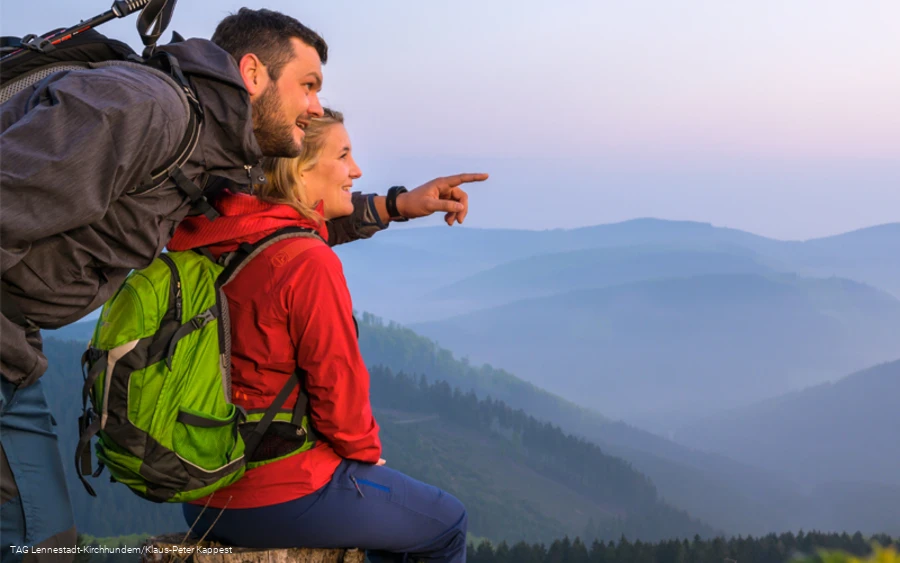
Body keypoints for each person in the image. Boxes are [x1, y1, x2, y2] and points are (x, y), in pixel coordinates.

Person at [0, 9, 480, 560]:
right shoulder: (148, 111)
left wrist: (394, 206)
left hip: (19, 350)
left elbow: (269, 230)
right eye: (308, 85)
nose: (316, 106)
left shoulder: (201, 151)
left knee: (40, 540)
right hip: (8, 348)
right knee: (36, 543)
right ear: (252, 73)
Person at [168, 109, 482, 563]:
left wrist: (398, 205)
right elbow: (338, 386)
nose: (356, 170)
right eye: (343, 154)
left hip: (202, 493)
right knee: (446, 523)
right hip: (279, 493)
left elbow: (301, 233)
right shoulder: (307, 261)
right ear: (300, 168)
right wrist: (365, 454)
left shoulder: (217, 235)